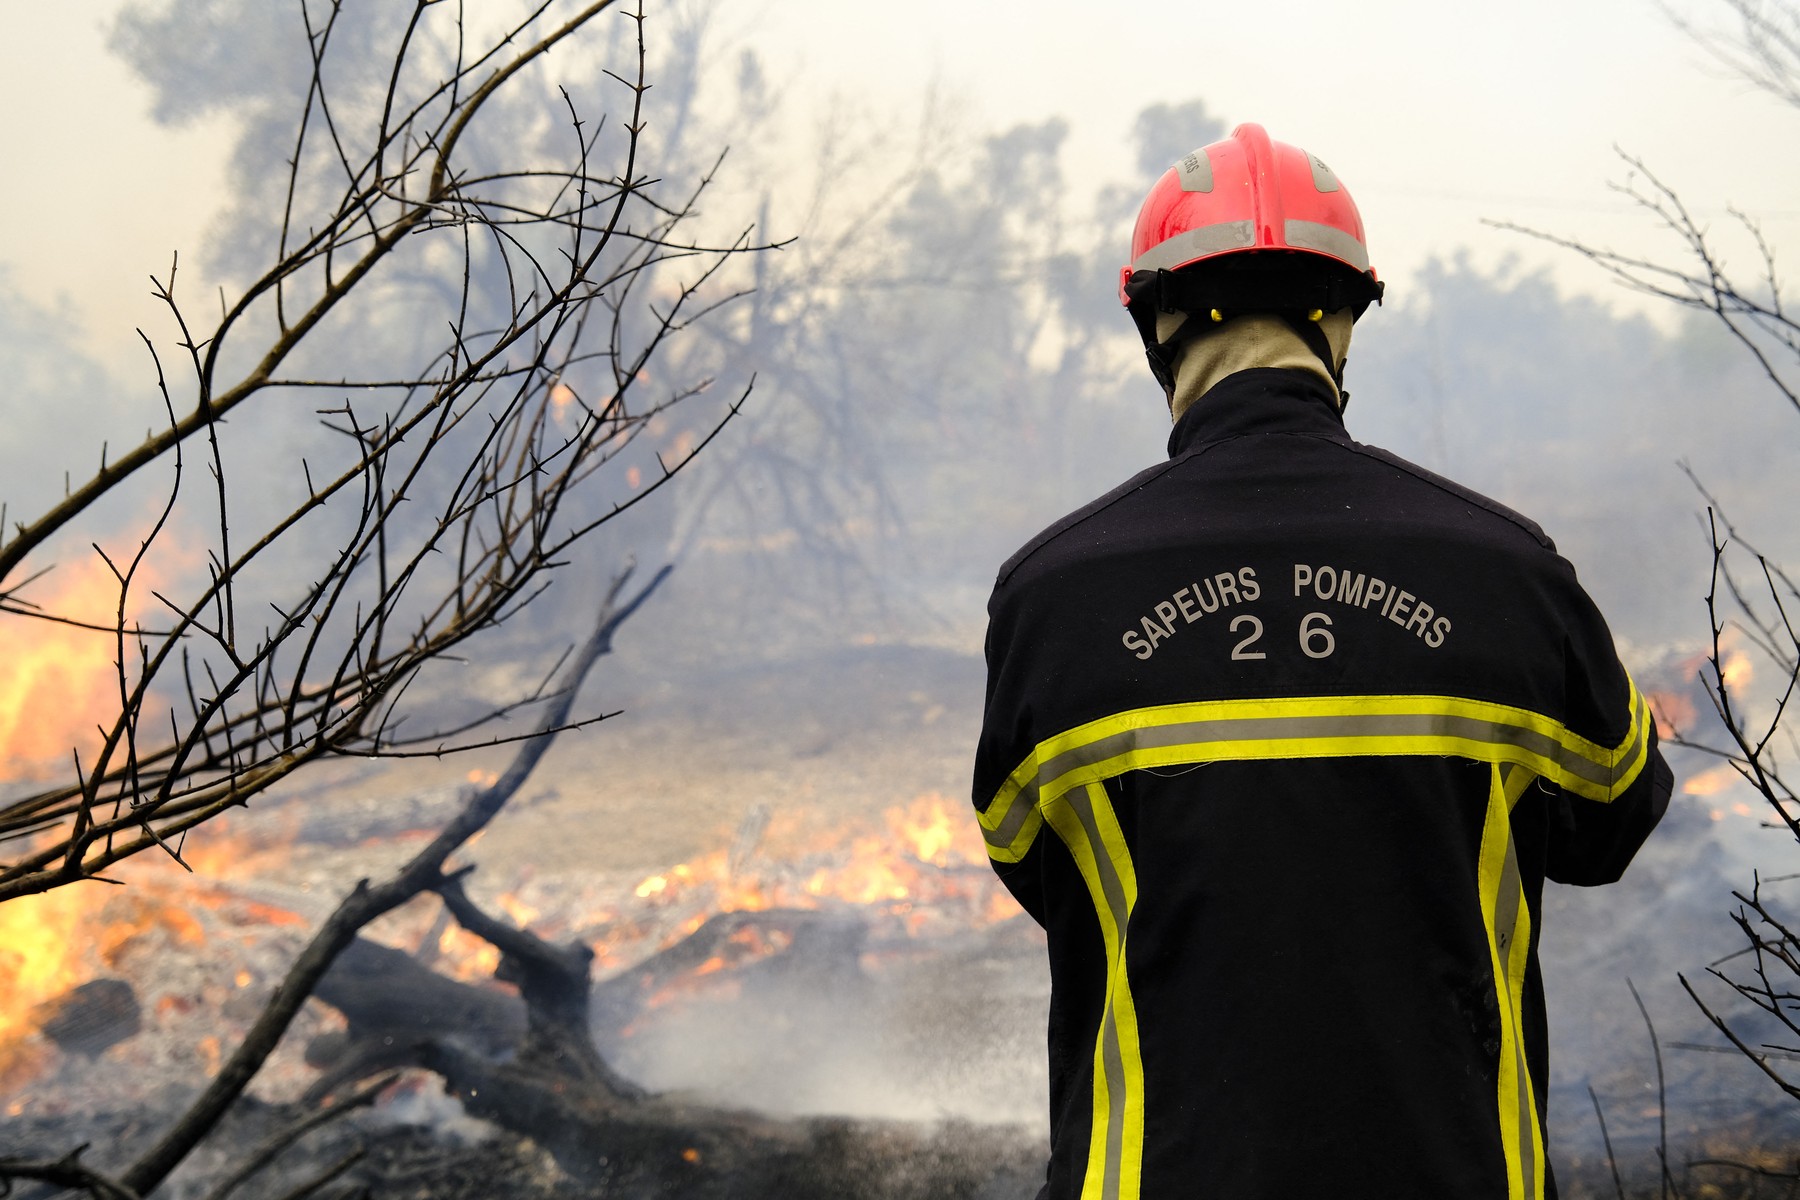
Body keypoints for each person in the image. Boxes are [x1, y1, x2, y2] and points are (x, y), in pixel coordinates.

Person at [971, 123, 1672, 1200]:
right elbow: (1613, 819)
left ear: (1154, 323)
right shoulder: (1506, 567)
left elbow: (1040, 866)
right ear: (1342, 317)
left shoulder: (1051, 596)